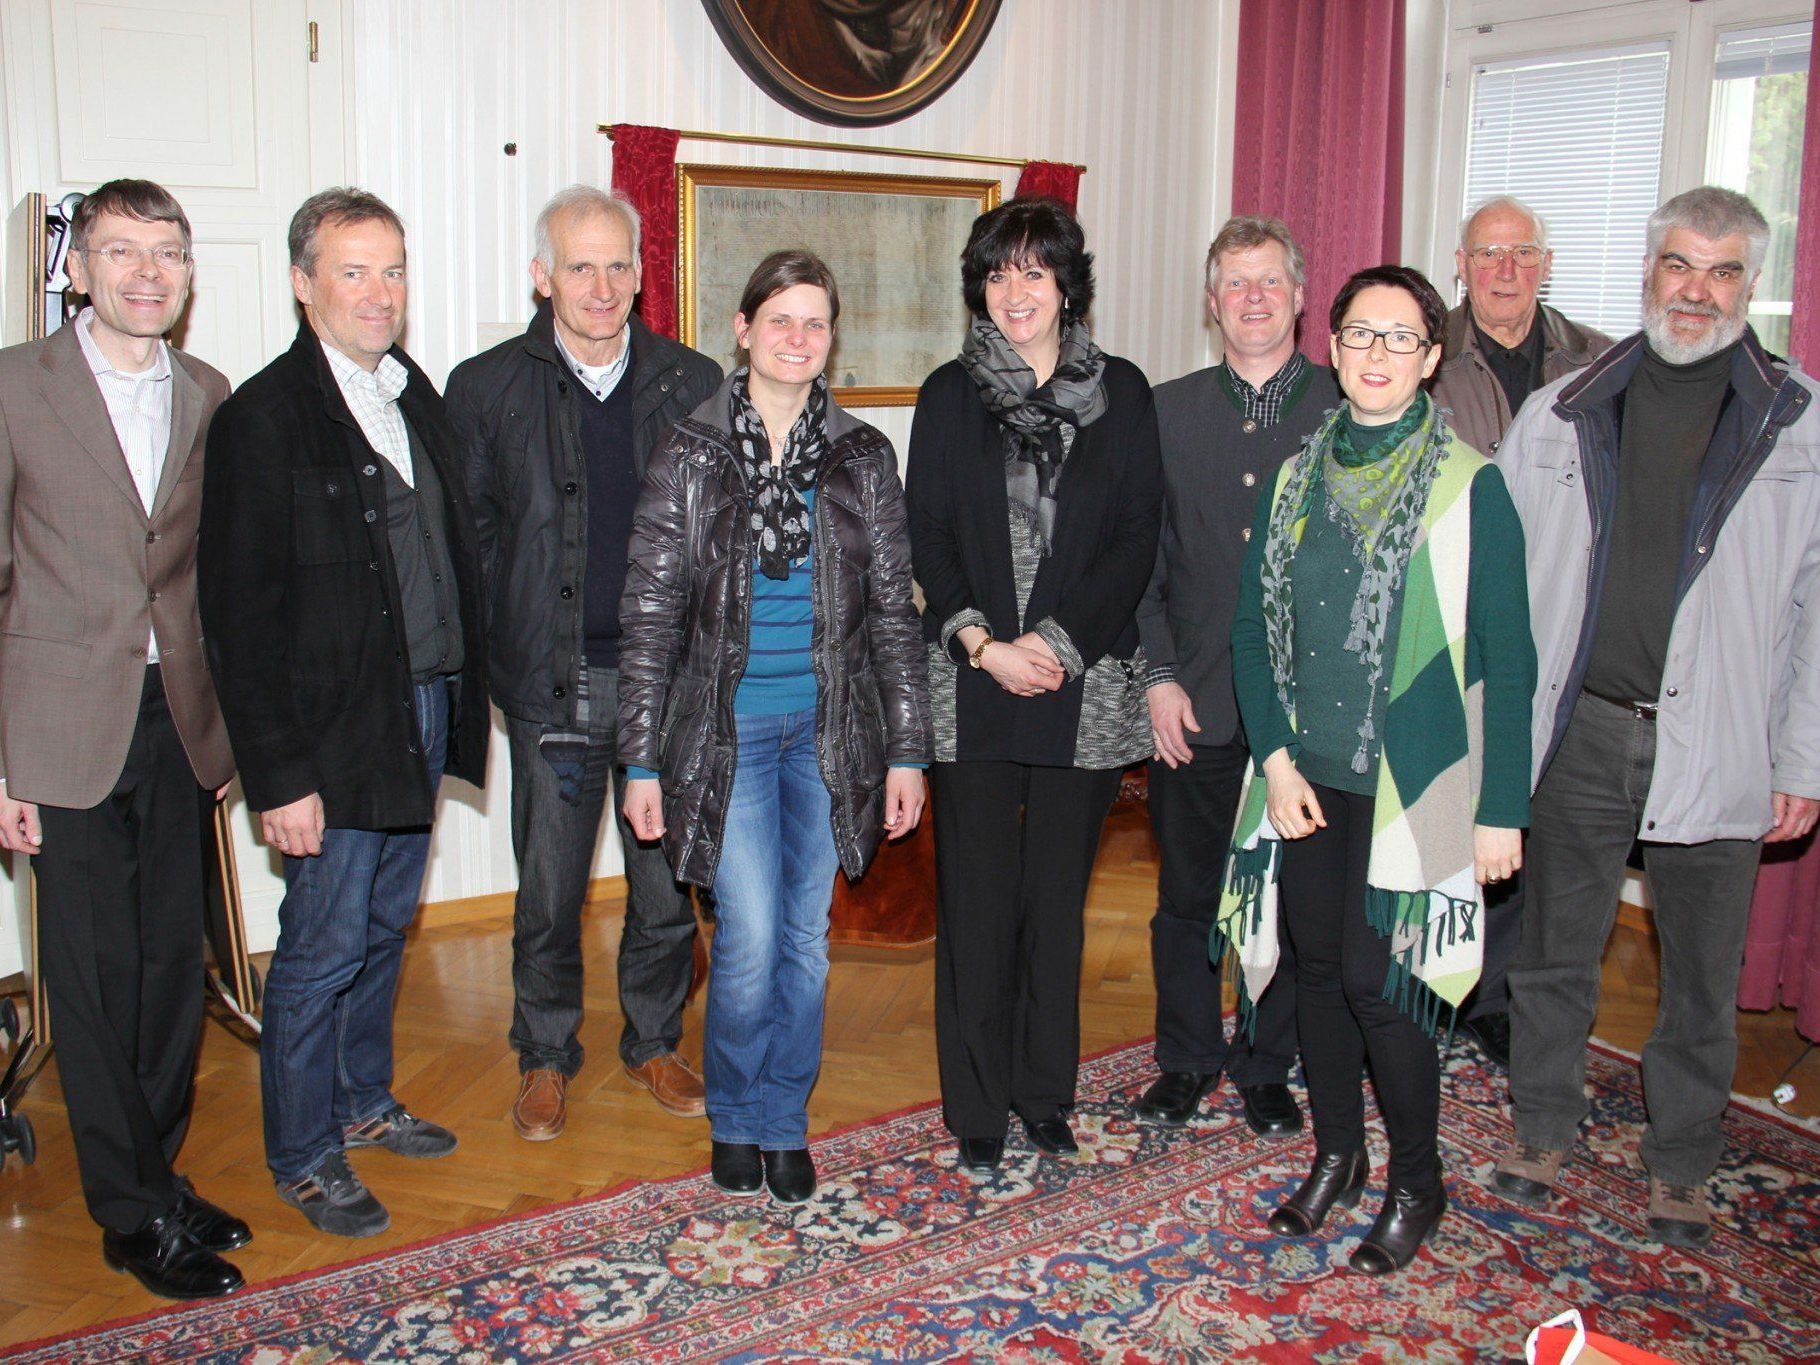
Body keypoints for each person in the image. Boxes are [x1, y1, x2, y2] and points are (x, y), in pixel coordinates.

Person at [1492, 186, 1820, 1248]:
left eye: (1722, 272)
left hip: (1721, 742)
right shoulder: (1560, 408)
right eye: (1680, 265)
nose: (1696, 290)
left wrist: (1800, 757)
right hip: (1577, 730)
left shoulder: (1798, 423)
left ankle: (1679, 1160)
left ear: (1750, 287)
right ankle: (1541, 1125)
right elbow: (1495, 585)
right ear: (1648, 269)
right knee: (1552, 952)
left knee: (1699, 975)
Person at [1224, 264, 1533, 1274]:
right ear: (1334, 344)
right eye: (1360, 334)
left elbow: (1509, 657)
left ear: (1431, 358)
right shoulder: (1292, 479)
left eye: (1399, 338)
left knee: (1379, 983)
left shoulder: (1468, 487)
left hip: (1419, 783)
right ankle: (1336, 1156)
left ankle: (1416, 1179)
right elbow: (1250, 634)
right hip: (1306, 774)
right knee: (1316, 972)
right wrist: (1270, 757)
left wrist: (1501, 811)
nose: (1375, 355)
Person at [199, 188, 490, 1238]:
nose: (379, 294)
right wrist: (278, 777)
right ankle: (303, 1152)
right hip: (328, 736)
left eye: (394, 270)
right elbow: (236, 617)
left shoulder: (414, 399)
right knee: (318, 947)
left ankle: (363, 1103)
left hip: (423, 711)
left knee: (381, 928)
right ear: (302, 282)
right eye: (354, 271)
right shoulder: (262, 420)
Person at [618, 250, 930, 1204]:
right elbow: (651, 612)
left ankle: (783, 1119)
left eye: (816, 323)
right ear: (743, 329)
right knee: (750, 935)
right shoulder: (690, 450)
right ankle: (736, 1115)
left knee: (804, 937)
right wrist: (640, 759)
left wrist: (909, 749)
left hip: (831, 736)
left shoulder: (863, 455)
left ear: (832, 338)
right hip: (729, 737)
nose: (798, 339)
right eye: (780, 320)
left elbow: (890, 615)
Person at [0, 180, 246, 1299]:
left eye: (167, 254)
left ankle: (156, 1173)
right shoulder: (13, 386)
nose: (147, 273)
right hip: (57, 731)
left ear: (189, 273)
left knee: (165, 974)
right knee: (93, 983)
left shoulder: (207, 390)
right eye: (121, 252)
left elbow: (202, 573)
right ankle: (129, 1214)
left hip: (178, 726)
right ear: (79, 270)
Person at [448, 186, 722, 1140]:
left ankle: (653, 1039)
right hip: (552, 688)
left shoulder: (693, 383)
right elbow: (469, 542)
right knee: (549, 891)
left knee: (663, 889)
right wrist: (504, 659)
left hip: (667, 689)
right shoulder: (484, 389)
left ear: (641, 274)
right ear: (541, 276)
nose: (600, 287)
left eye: (617, 266)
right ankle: (544, 1054)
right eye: (579, 266)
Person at [906, 196, 1163, 1173]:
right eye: (998, 272)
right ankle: (975, 1109)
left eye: (1034, 272)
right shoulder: (945, 393)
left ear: (1066, 285)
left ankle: (1042, 1095)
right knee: (974, 901)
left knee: (1055, 904)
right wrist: (983, 643)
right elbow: (923, 532)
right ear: (979, 286)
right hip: (969, 680)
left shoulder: (1124, 395)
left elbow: (1135, 537)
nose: (1015, 291)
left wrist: (1053, 642)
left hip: (1082, 683)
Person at [1135, 215, 1340, 1134]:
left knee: (1296, 903)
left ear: (1300, 298)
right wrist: (1158, 676)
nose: (1252, 299)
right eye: (1234, 283)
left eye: (1270, 282)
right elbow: (1138, 563)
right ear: (1210, 301)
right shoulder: (1164, 409)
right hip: (1197, 702)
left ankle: (1267, 1060)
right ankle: (1186, 1057)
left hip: (1312, 717)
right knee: (1187, 899)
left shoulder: (1350, 404)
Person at [1431, 194, 1612, 1068]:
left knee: (1525, 813)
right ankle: (1435, 981)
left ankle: (1497, 995)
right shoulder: (1426, 354)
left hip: (1564, 623)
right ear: (1459, 265)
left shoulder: (1602, 367)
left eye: (1522, 253)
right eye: (1487, 254)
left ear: (1546, 264)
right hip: (1454, 619)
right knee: (1446, 807)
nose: (1505, 270)